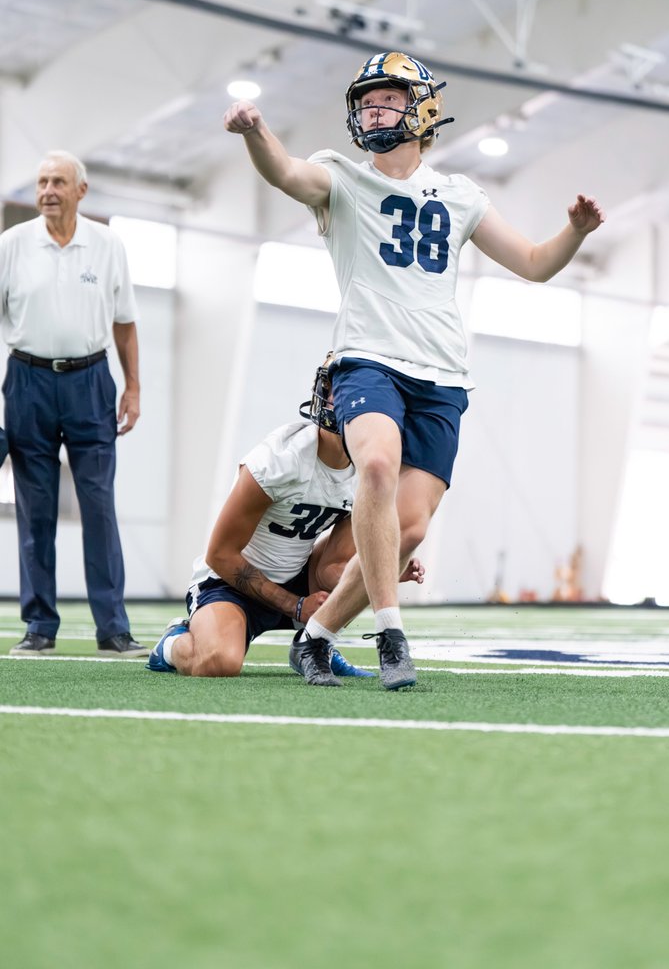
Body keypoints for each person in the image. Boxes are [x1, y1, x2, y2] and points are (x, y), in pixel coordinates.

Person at [223, 51, 605, 690]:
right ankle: (392, 632)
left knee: (410, 528)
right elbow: (285, 172)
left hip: (441, 375)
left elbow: (535, 264)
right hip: (367, 359)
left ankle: (315, 638)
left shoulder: (461, 196)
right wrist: (256, 132)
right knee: (375, 465)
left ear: (423, 109)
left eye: (388, 98)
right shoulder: (341, 177)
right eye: (366, 100)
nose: (374, 109)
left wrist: (576, 232)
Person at [147, 357, 423, 678]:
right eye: (336, 388)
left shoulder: (370, 472)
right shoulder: (279, 460)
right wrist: (295, 605)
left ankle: (314, 644)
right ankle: (170, 644)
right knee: (219, 662)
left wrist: (380, 569)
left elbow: (332, 568)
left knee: (357, 568)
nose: (344, 399)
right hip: (231, 582)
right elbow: (220, 555)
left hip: (299, 575)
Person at [1, 150, 146, 657]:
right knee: (35, 510)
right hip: (26, 383)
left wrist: (133, 388)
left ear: (80, 191)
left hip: (90, 383)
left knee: (99, 507)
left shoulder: (107, 245)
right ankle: (39, 626)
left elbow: (125, 323)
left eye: (58, 182)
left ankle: (113, 628)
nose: (47, 191)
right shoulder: (12, 244)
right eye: (42, 182)